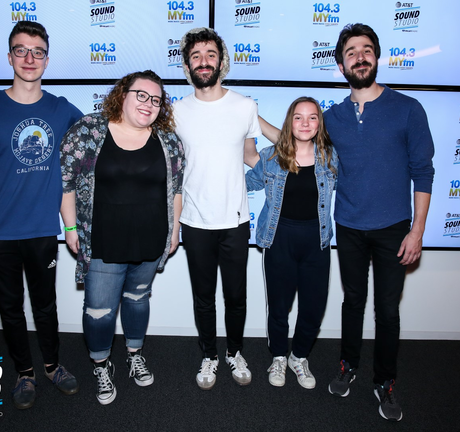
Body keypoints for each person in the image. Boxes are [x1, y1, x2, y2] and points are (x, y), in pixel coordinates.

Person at [259, 23, 434, 422]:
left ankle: (385, 381)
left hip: (394, 228)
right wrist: (250, 119)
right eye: (351, 52)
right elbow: (292, 139)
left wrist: (417, 230)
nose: (360, 57)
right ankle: (347, 366)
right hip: (349, 227)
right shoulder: (332, 117)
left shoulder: (408, 109)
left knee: (387, 310)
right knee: (351, 302)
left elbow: (423, 172)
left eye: (366, 49)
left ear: (377, 57)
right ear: (341, 66)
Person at [0, 21, 83, 410]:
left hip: (41, 233)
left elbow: (97, 141)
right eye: (21, 50)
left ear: (47, 59)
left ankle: (52, 366)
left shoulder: (61, 110)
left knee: (46, 307)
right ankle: (24, 373)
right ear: (10, 57)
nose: (30, 58)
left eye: (37, 51)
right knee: (11, 310)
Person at [59, 70, 185, 405]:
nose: (148, 104)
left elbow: (176, 190)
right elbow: (66, 182)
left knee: (137, 299)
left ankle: (134, 354)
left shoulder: (168, 140)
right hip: (103, 241)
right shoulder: (88, 130)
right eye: (141, 95)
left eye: (156, 99)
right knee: (99, 311)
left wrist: (174, 230)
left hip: (150, 239)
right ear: (122, 95)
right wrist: (70, 228)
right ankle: (101, 365)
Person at [173, 27, 261, 390]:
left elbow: (252, 156)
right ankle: (209, 354)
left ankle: (234, 352)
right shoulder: (176, 112)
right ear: (187, 65)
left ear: (221, 61)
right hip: (194, 221)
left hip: (236, 221)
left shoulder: (245, 106)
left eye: (210, 54)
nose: (203, 61)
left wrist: (294, 170)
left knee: (236, 297)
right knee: (204, 298)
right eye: (196, 56)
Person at [245, 97, 337, 390]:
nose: (305, 123)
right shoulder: (271, 157)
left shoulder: (331, 157)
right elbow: (245, 184)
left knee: (313, 307)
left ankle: (299, 357)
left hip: (317, 242)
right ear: (289, 122)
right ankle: (278, 357)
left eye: (312, 117)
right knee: (279, 306)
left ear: (319, 123)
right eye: (298, 117)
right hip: (279, 238)